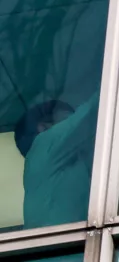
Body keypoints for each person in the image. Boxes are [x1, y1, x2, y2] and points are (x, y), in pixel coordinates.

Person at [15, 93, 99, 228]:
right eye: (67, 119)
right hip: (60, 243)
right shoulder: (44, 144)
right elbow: (91, 114)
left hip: (60, 244)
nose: (72, 121)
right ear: (44, 127)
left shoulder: (57, 165)